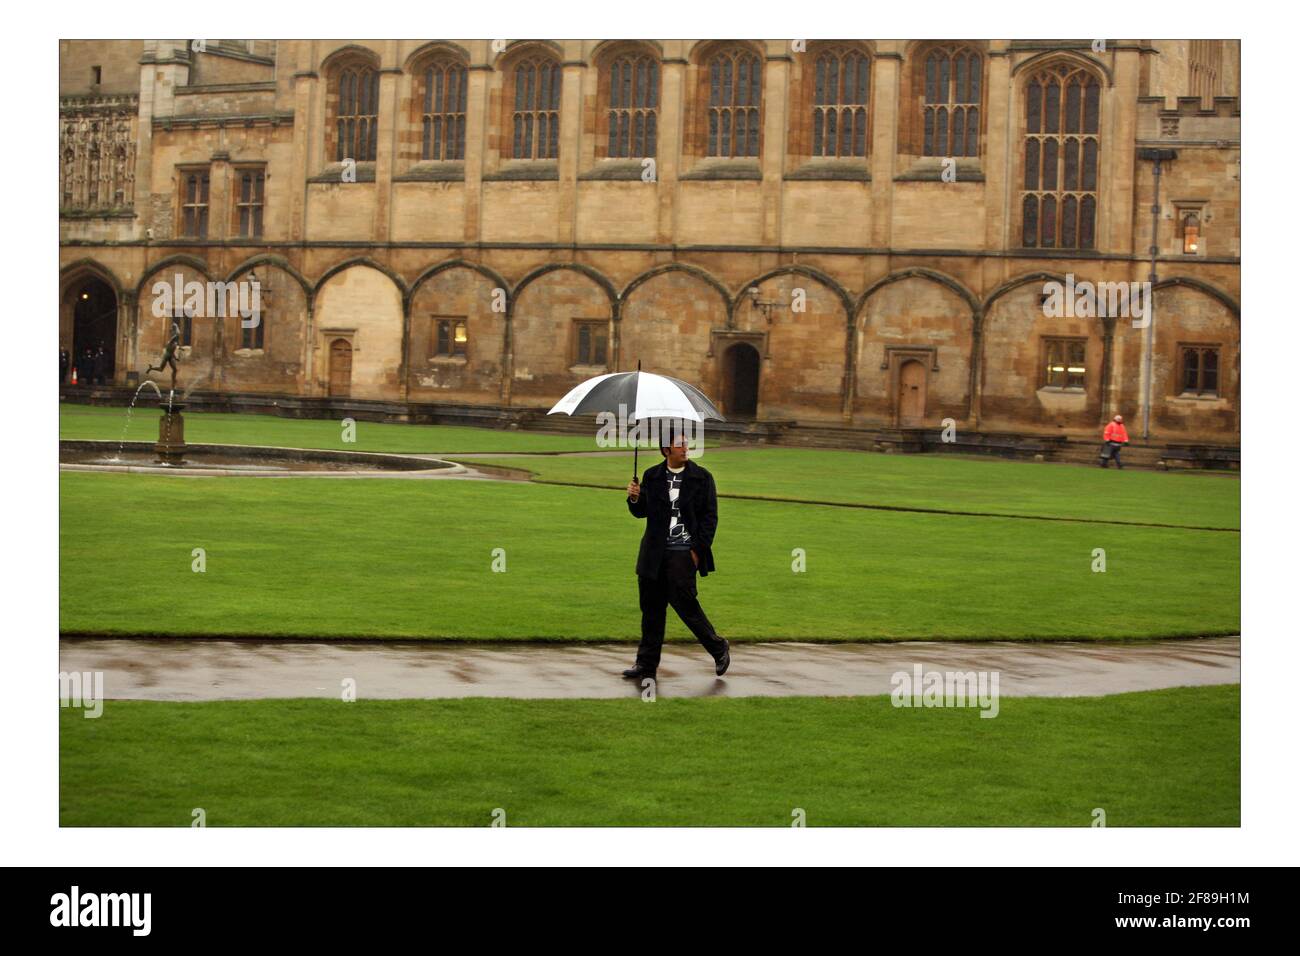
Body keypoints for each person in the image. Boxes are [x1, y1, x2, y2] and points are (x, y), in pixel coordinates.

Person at [622, 424, 730, 681]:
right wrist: (635, 497)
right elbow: (641, 513)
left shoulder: (702, 478)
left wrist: (697, 551)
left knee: (686, 607)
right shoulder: (651, 476)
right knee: (651, 611)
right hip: (653, 554)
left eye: (686, 444)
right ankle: (645, 666)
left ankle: (718, 647)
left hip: (683, 553)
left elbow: (709, 518)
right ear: (666, 449)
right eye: (680, 444)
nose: (686, 448)